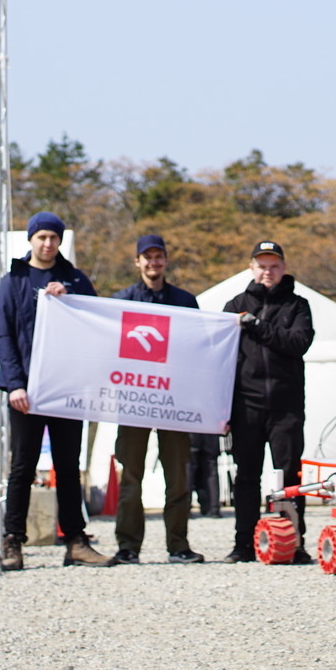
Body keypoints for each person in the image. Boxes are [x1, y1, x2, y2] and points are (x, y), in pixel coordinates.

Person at [0, 210, 112, 570]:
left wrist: (70, 294)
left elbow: (96, 317)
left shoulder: (74, 277)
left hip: (67, 388)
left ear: (60, 241)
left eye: (53, 238)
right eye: (41, 237)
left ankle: (76, 540)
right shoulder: (14, 280)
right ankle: (12, 541)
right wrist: (14, 384)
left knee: (68, 466)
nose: (47, 244)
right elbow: (4, 335)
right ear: (30, 239)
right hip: (27, 391)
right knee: (23, 466)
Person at [111, 233, 204, 565]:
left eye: (158, 256)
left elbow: (199, 348)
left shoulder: (184, 301)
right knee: (130, 477)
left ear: (165, 260)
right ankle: (128, 546)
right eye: (147, 257)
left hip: (172, 401)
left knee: (177, 477)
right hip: (134, 400)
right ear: (137, 262)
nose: (153, 262)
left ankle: (178, 545)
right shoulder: (121, 301)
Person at [222, 240, 315, 563]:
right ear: (251, 268)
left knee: (289, 475)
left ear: (284, 268)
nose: (268, 272)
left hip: (286, 405)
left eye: (274, 266)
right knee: (246, 474)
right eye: (262, 266)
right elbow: (222, 358)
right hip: (246, 405)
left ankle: (294, 541)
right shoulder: (235, 305)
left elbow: (298, 342)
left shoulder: (298, 305)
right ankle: (244, 543)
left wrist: (258, 326)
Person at [188, 433, 223, 518]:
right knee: (211, 467)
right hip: (211, 431)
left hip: (190, 431)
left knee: (189, 467)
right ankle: (214, 508)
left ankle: (185, 508)